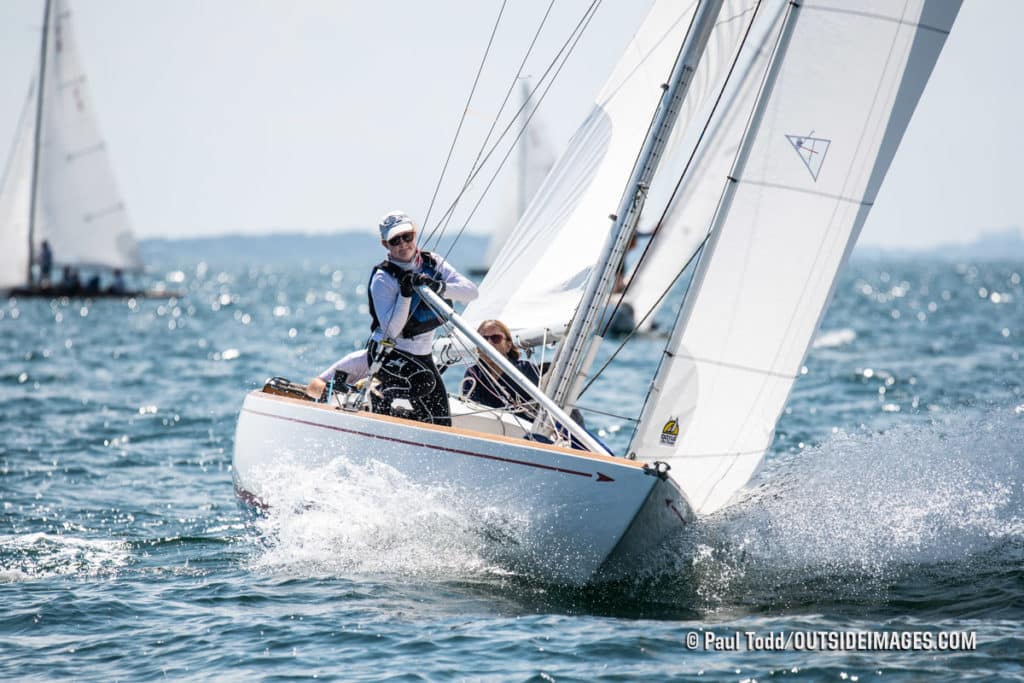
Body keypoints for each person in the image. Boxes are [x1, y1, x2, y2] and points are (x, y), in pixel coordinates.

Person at [366, 210, 477, 426]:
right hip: (390, 353)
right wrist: (405, 294)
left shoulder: (433, 262)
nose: (403, 244)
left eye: (407, 237)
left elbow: (472, 292)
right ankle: (376, 394)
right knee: (424, 381)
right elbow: (391, 331)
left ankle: (397, 421)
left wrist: (440, 288)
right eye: (395, 240)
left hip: (422, 356)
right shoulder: (383, 278)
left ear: (414, 234)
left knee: (442, 422)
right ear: (385, 244)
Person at [460, 319, 540, 416]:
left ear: (508, 345)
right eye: (483, 339)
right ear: (477, 347)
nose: (488, 343)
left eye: (496, 338)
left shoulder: (526, 369)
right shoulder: (473, 374)